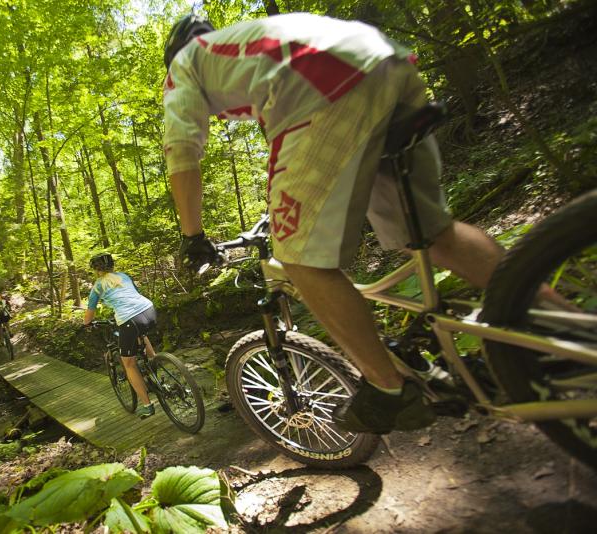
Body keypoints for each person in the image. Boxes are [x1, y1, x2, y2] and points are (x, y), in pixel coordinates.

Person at [162, 12, 512, 434]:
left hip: (325, 85)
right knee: (435, 237)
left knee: (299, 261)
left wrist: (192, 235)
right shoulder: (248, 45)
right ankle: (541, 310)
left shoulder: (187, 63)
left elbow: (182, 152)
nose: (224, 117)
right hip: (386, 60)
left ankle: (390, 390)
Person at [83, 253, 158, 419]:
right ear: (112, 265)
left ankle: (147, 405)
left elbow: (89, 315)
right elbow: (133, 295)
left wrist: (86, 324)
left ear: (96, 269)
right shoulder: (124, 276)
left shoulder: (98, 286)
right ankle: (155, 365)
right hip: (149, 309)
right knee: (141, 334)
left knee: (128, 363)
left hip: (129, 319)